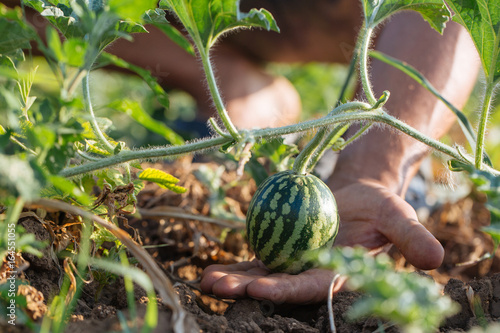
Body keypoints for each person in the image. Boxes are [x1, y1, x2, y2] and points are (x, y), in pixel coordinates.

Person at [23, 0, 481, 304]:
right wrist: (216, 70)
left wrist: (376, 168)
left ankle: (396, 156)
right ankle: (228, 81)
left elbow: (457, 9)